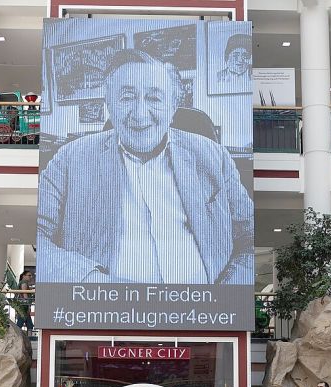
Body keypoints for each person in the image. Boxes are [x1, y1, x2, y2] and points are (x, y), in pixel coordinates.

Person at [36, 49, 254, 285]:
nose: (140, 115)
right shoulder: (69, 159)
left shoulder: (215, 158)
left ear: (172, 108)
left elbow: (250, 238)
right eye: (127, 97)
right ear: (109, 104)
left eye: (154, 98)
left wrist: (227, 292)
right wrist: (90, 280)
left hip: (202, 315)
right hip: (105, 314)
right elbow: (38, 236)